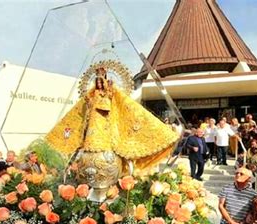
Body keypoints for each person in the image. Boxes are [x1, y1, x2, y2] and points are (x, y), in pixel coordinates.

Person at [46, 65, 178, 172]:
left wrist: (110, 91)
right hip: (94, 121)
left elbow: (115, 102)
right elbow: (85, 106)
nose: (98, 83)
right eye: (96, 81)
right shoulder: (93, 94)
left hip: (105, 120)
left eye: (100, 81)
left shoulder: (109, 92)